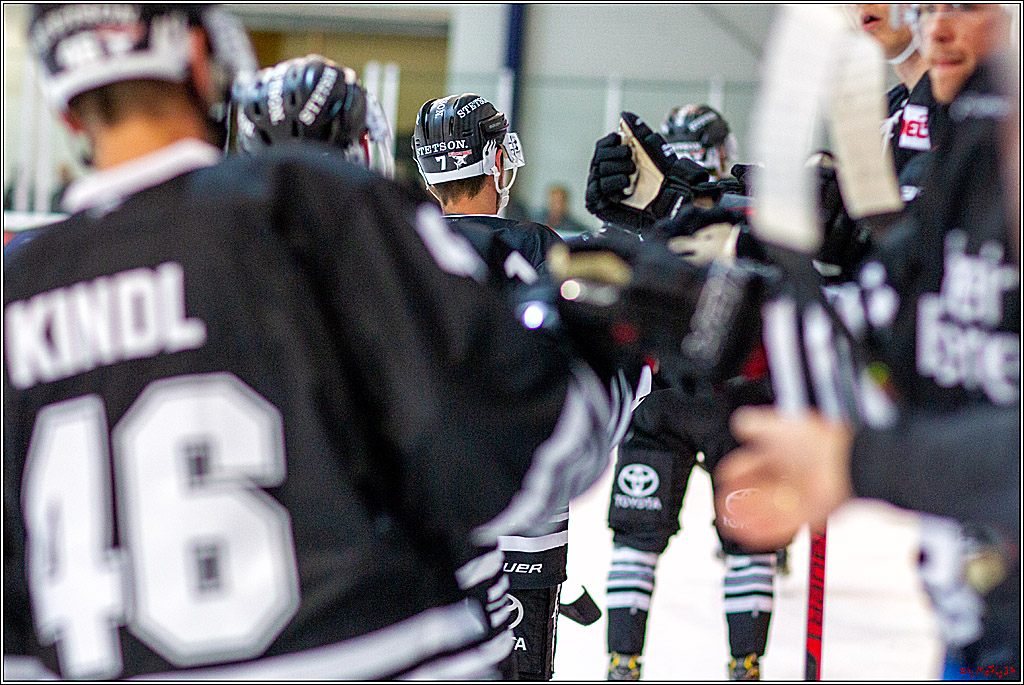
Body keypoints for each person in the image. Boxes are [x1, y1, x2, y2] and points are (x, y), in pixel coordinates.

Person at [3, 5, 629, 680]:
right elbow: (532, 448)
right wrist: (613, 320)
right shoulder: (313, 210)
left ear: (67, 113)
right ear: (196, 59)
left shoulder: (19, 287)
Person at [716, 3, 1020, 678]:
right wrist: (703, 286)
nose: (940, 28)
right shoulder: (963, 146)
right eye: (933, 8)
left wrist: (862, 463)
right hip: (977, 622)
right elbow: (897, 357)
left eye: (966, 7)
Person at [410, 92, 596, 682]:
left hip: (432, 513)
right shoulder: (538, 243)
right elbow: (584, 368)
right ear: (495, 159)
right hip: (527, 509)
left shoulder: (401, 242)